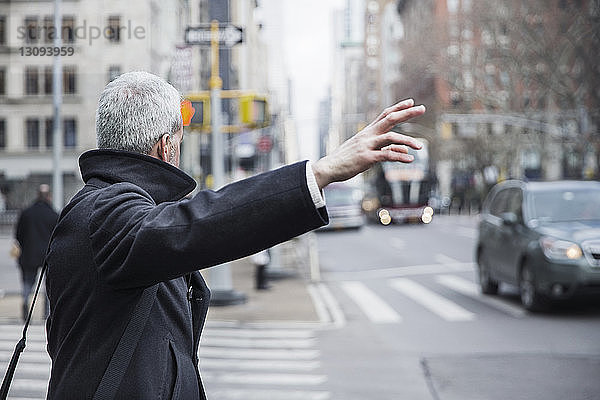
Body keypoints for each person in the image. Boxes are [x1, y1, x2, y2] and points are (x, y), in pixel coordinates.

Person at [45, 71, 425, 399]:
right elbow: (197, 226)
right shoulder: (108, 211)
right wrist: (319, 173)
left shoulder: (101, 208)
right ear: (166, 145)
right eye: (180, 137)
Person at [15, 184, 58, 321]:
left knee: (28, 282)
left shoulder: (26, 213)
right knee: (48, 285)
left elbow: (18, 234)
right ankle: (46, 313)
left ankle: (26, 301)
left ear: (37, 195)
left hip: (29, 254)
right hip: (48, 255)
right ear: (49, 197)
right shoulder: (53, 214)